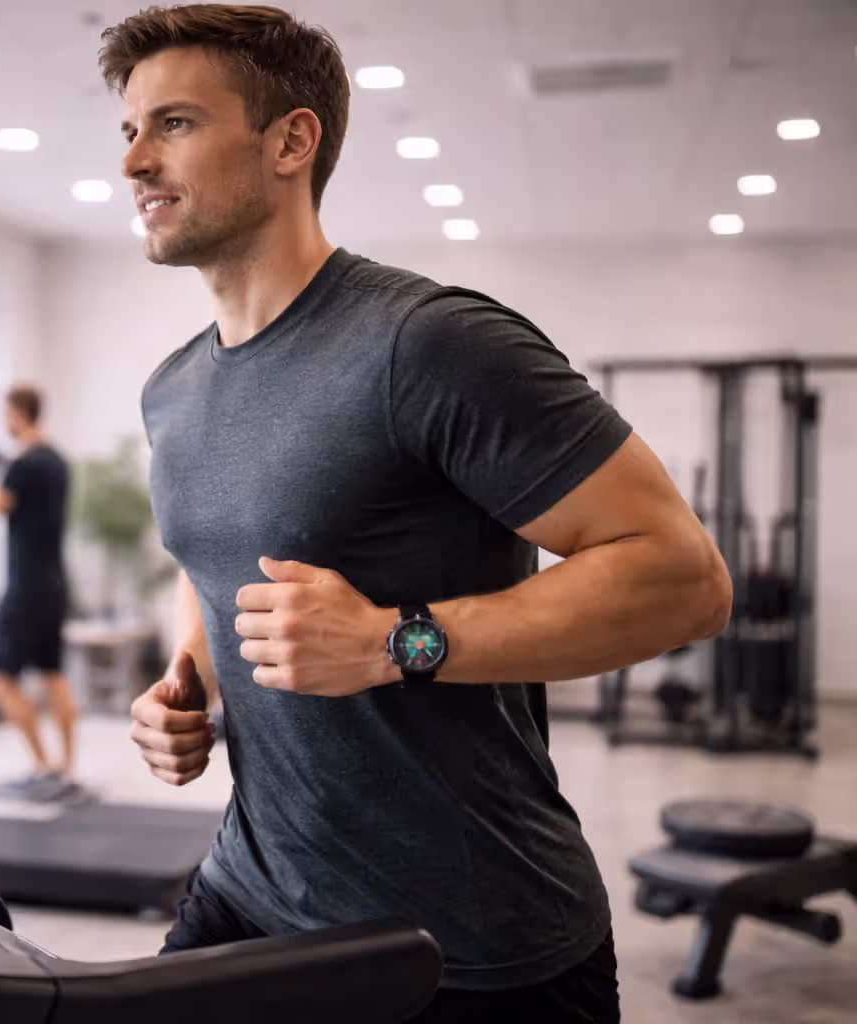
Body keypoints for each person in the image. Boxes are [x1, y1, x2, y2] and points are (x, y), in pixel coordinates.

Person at [103, 7, 732, 1022]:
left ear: (290, 142)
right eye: (127, 130)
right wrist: (188, 685)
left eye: (172, 122)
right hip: (252, 891)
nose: (134, 159)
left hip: (469, 940)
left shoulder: (427, 344)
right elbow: (215, 556)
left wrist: (399, 641)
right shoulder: (173, 389)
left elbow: (684, 577)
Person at [0, 385, 78, 801]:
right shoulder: (58, 462)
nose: (4, 422)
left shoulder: (23, 465)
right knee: (54, 676)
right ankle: (66, 769)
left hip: (25, 587)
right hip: (54, 584)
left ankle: (42, 764)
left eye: (6, 414)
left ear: (18, 414)